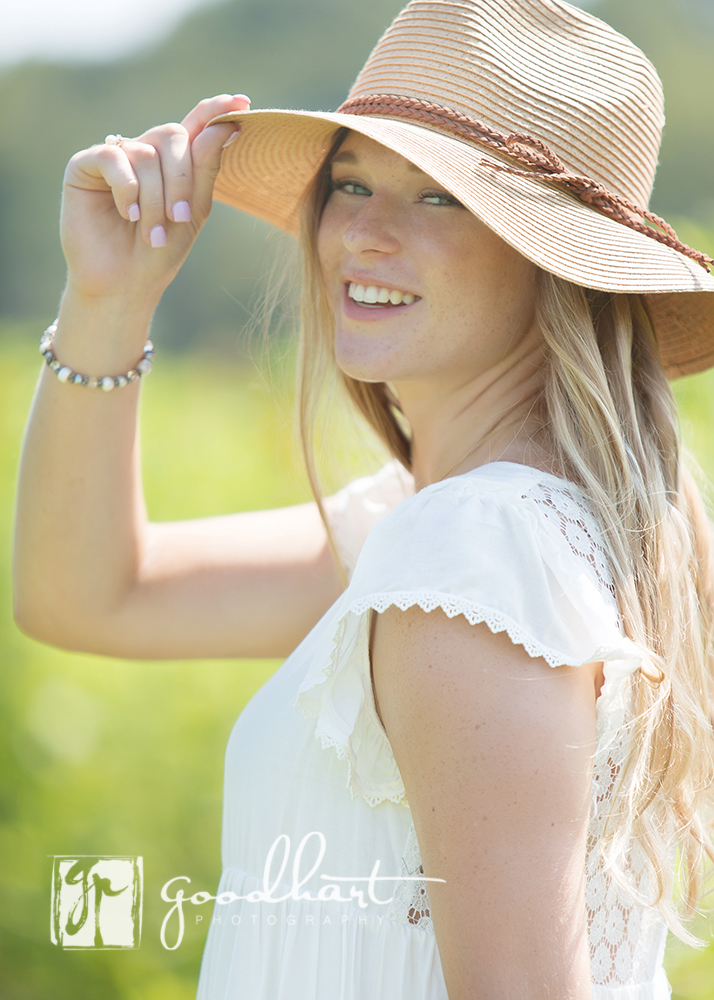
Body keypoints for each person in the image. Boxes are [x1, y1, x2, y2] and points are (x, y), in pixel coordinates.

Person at [13, 0, 714, 996]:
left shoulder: (471, 552)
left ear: (559, 265)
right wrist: (107, 302)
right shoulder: (479, 525)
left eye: (439, 199)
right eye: (351, 183)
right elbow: (84, 596)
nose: (364, 235)